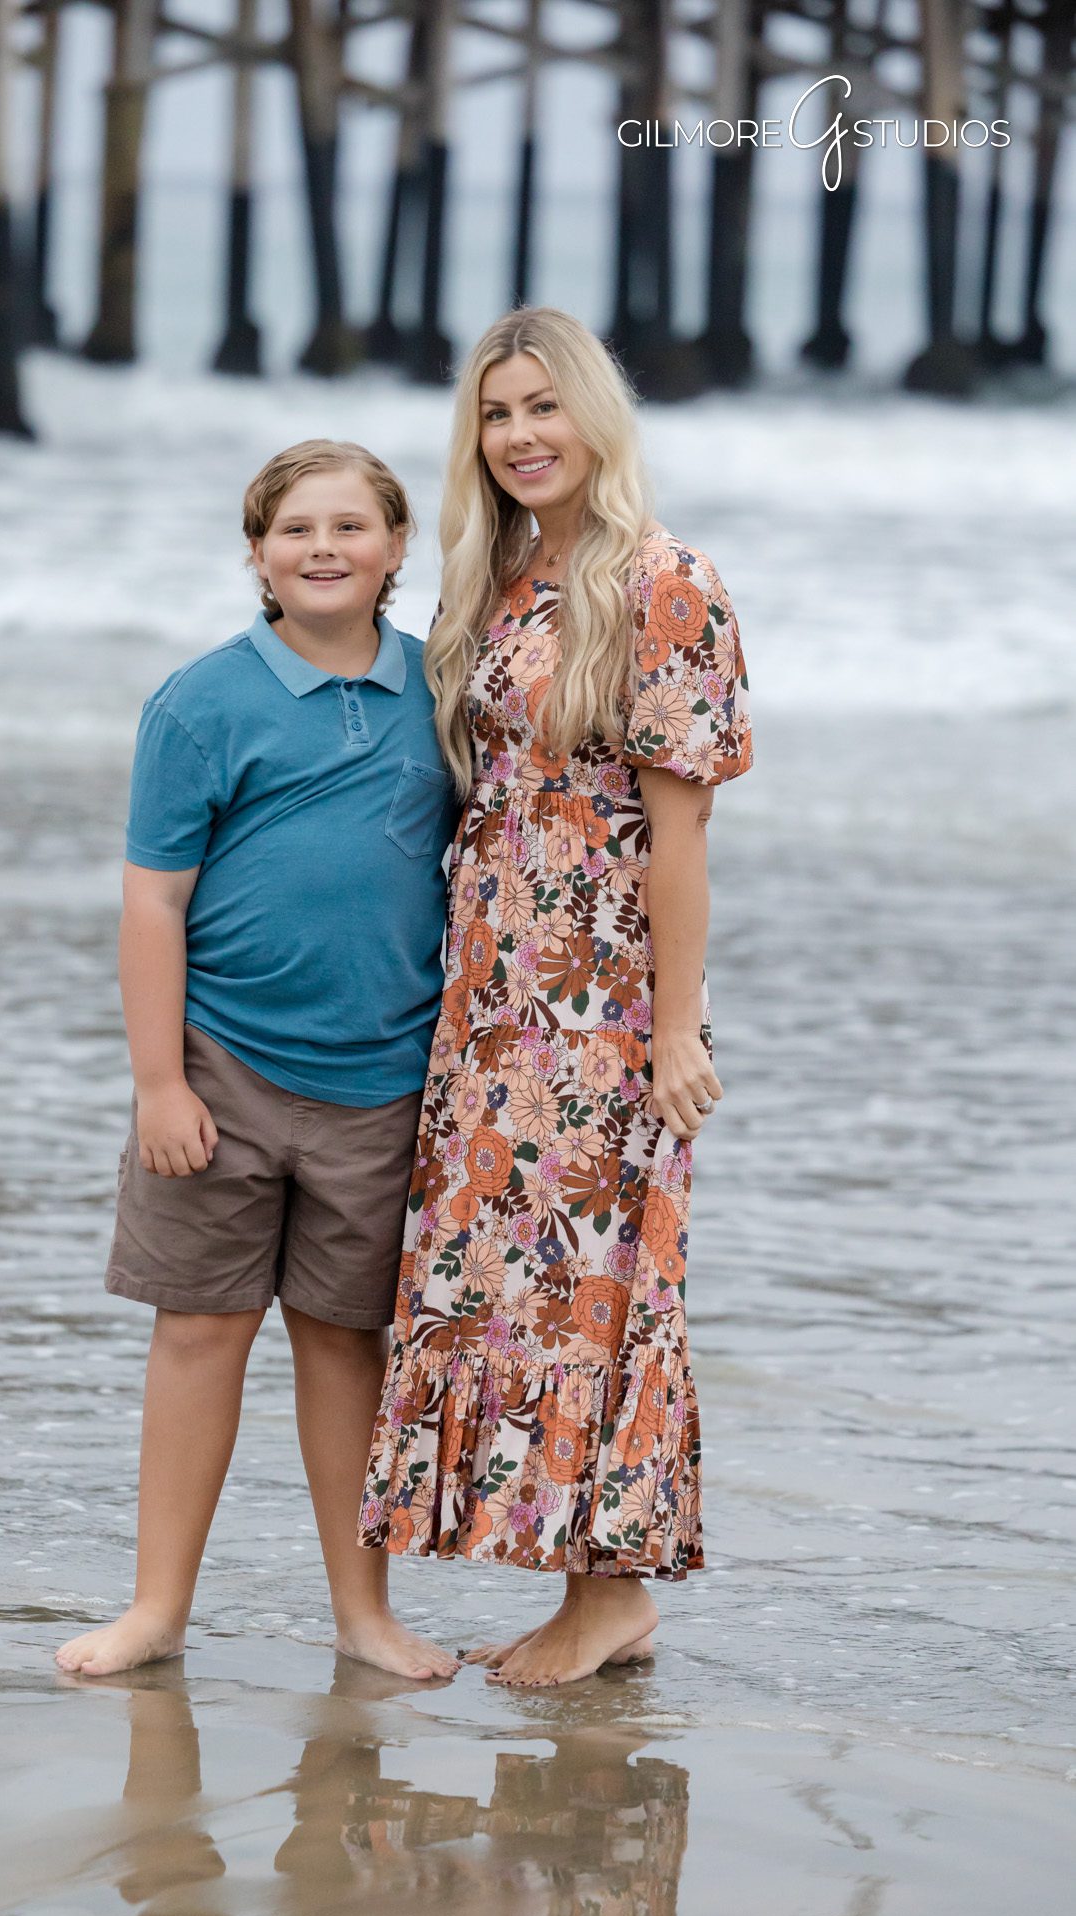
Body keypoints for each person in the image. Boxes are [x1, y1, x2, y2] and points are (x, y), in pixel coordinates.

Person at [357, 307, 754, 1687]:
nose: (520, 435)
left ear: (594, 414)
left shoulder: (661, 581)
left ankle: (612, 1599)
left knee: (607, 1282)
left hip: (601, 1000)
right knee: (515, 1288)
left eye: (542, 406)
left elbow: (679, 832)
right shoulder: (499, 580)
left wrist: (678, 1026)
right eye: (494, 413)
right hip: (489, 994)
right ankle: (586, 1591)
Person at [56, 440, 461, 1682]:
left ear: (398, 549)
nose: (323, 547)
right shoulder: (203, 702)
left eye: (351, 525)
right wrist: (158, 1081)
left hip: (382, 1080)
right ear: (256, 556)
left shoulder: (443, 692)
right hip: (220, 1070)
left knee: (347, 1344)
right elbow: (151, 904)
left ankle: (363, 1614)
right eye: (295, 529)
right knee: (200, 1330)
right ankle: (156, 1607)